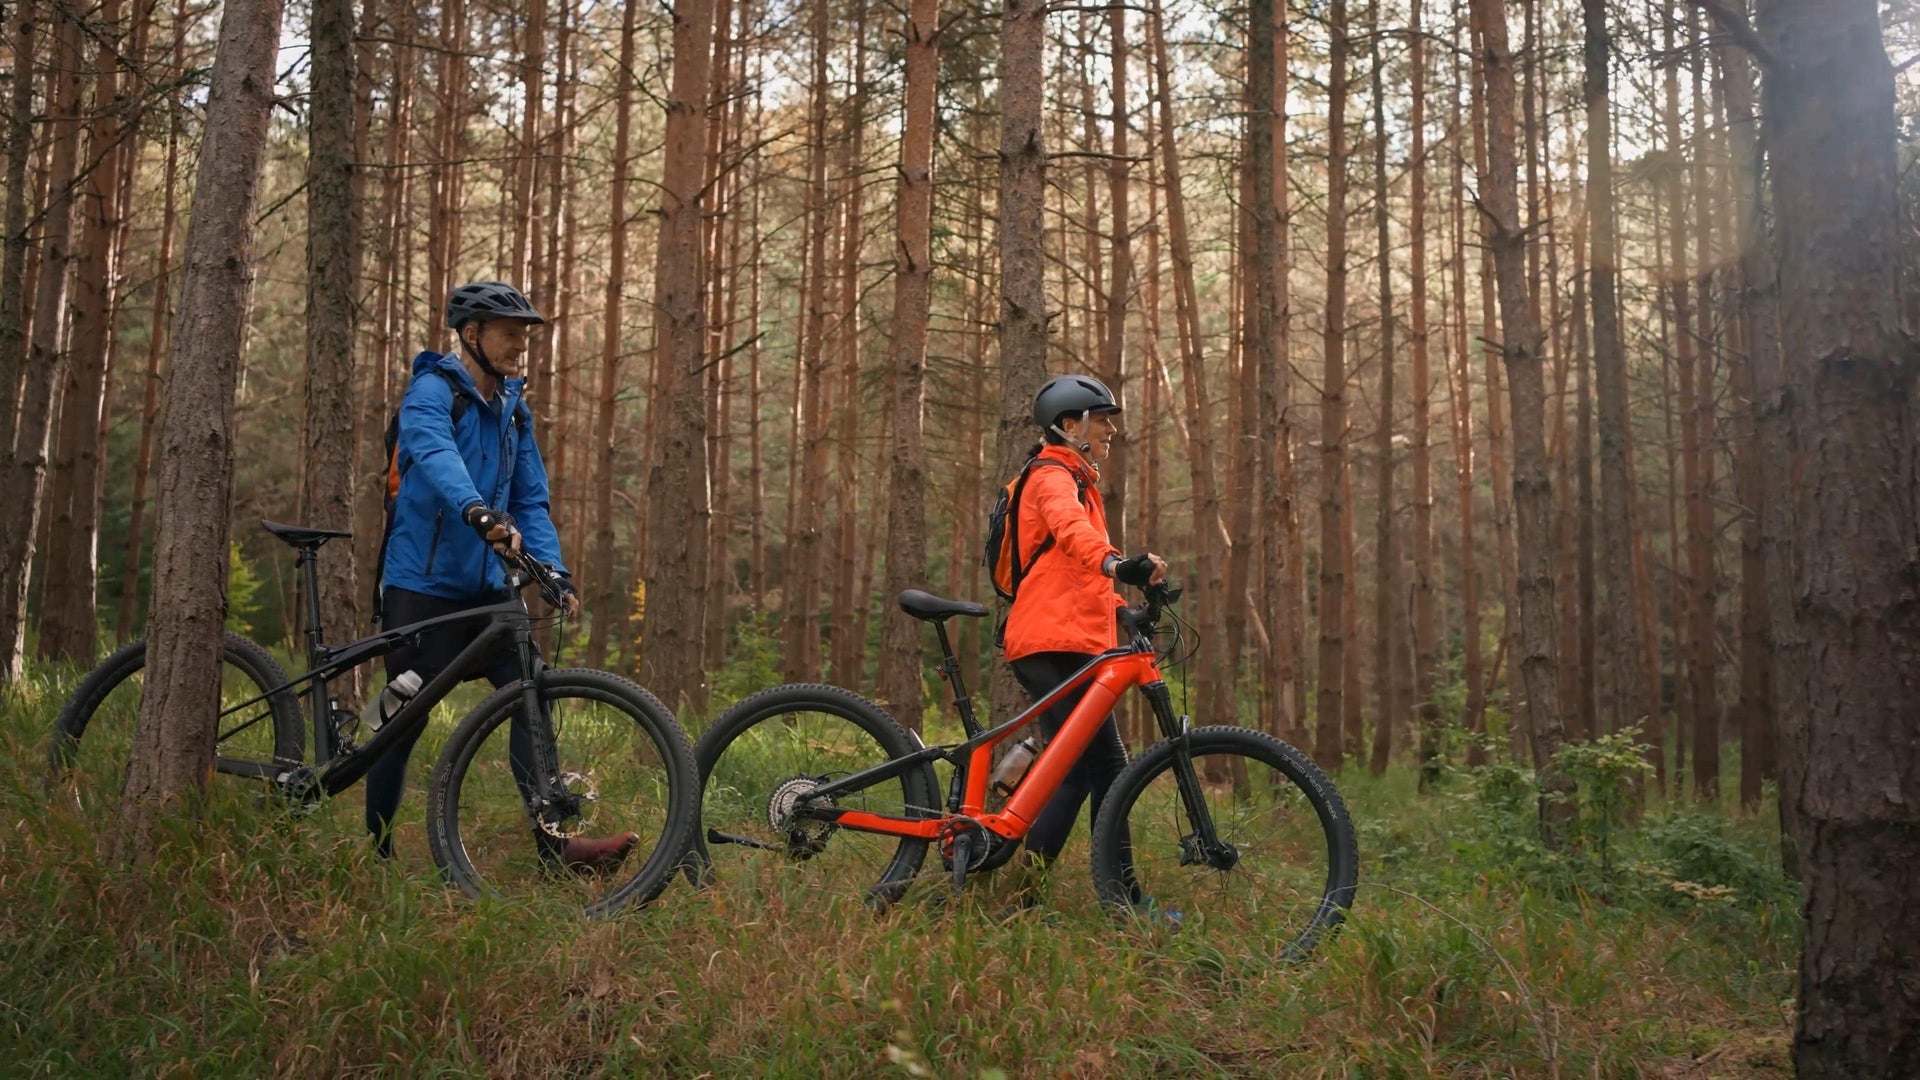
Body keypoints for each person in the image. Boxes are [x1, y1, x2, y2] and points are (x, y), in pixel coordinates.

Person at [370, 280, 635, 871]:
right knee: (396, 721)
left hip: (492, 591)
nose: (521, 345)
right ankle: (376, 854)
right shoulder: (432, 392)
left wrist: (553, 571)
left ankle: (557, 849)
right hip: (423, 588)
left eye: (524, 335)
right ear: (471, 334)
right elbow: (434, 453)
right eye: (509, 333)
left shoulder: (514, 413)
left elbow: (531, 500)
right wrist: (475, 509)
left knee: (532, 702)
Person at [1001, 373, 1168, 883]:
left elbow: (1070, 570)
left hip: (1068, 638)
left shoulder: (1077, 479)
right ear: (1070, 425)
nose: (1112, 431)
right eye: (1103, 421)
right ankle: (1091, 897)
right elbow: (1072, 534)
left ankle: (1087, 895)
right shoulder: (1052, 476)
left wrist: (1121, 609)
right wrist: (1118, 563)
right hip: (1052, 641)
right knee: (1086, 770)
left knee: (1098, 770)